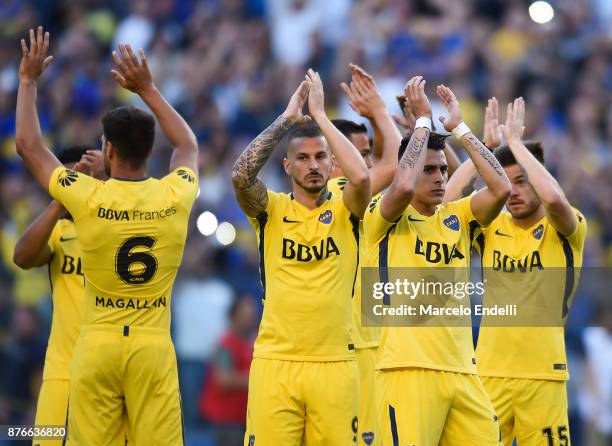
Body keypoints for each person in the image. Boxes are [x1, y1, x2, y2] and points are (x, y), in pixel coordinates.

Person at [15, 27, 199, 445]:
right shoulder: (175, 194)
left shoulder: (87, 200)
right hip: (151, 345)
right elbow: (187, 145)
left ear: (109, 150)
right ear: (151, 151)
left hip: (95, 347)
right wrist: (148, 89)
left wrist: (27, 81)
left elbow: (28, 145)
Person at [364, 77, 510, 445]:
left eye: (442, 170)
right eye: (429, 170)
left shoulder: (457, 218)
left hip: (463, 371)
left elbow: (502, 188)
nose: (439, 177)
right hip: (406, 370)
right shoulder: (381, 218)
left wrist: (458, 128)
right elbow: (403, 187)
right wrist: (422, 123)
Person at [232, 69, 371, 445]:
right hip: (276, 363)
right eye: (304, 158)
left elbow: (361, 179)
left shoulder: (348, 209)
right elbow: (241, 177)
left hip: (336, 364)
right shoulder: (270, 210)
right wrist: (286, 121)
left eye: (321, 157)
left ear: (331, 164)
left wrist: (322, 117)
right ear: (287, 166)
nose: (313, 165)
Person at [445, 97, 588, 446]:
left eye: (522, 181)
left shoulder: (568, 228)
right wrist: (484, 149)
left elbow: (554, 201)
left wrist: (514, 143)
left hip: (544, 376)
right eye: (508, 185)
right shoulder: (493, 228)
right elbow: (449, 205)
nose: (513, 193)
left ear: (540, 178)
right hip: (489, 373)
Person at [13, 146, 104, 446]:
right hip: (63, 373)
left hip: (109, 371)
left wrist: (102, 186)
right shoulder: (59, 230)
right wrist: (59, 201)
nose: (73, 184)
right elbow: (22, 257)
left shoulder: (119, 227)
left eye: (78, 177)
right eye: (65, 178)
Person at [330, 63, 402, 445]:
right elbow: (392, 164)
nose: (366, 164)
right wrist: (377, 112)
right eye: (358, 154)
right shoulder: (342, 191)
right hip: (349, 350)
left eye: (366, 155)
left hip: (358, 345)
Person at [199, 295, 256, 446]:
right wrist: (258, 379)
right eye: (246, 313)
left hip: (244, 418)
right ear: (234, 316)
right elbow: (223, 379)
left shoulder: (253, 343)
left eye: (252, 313)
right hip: (227, 421)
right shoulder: (226, 344)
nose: (251, 317)